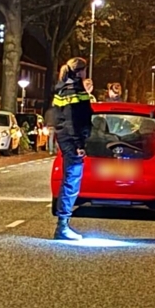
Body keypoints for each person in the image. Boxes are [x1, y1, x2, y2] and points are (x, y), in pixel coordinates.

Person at [52, 57, 93, 241]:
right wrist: (79, 144)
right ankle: (62, 226)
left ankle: (63, 224)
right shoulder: (73, 89)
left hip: (66, 138)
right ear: (80, 72)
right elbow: (73, 120)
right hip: (71, 141)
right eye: (84, 70)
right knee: (71, 181)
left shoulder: (64, 87)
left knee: (71, 180)